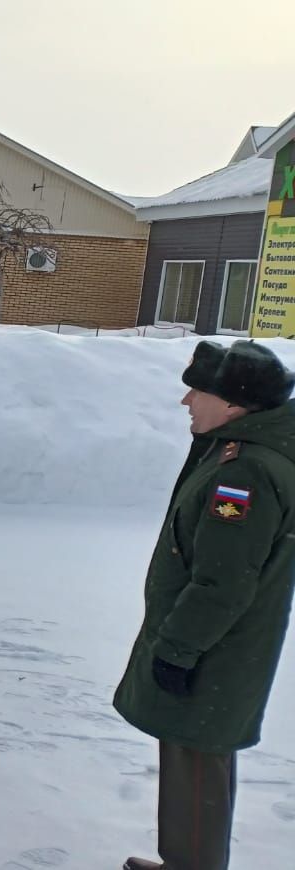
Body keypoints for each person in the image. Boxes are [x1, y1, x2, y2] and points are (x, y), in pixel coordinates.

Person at [115, 340, 295, 870]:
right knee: (195, 761)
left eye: (198, 391)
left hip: (213, 650)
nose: (187, 401)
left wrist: (177, 649)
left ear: (234, 404)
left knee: (196, 765)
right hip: (218, 647)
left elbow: (223, 583)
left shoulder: (244, 475)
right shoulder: (238, 450)